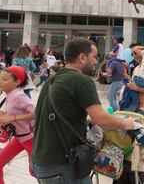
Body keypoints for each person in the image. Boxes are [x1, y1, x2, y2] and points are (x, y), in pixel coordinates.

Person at [31, 39, 134, 183]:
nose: (96, 61)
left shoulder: (53, 79)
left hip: (41, 160)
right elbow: (101, 119)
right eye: (94, 56)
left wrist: (86, 119)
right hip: (62, 163)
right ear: (82, 57)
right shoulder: (81, 81)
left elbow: (46, 113)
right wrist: (124, 124)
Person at [0, 66, 36, 183]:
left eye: (4, 79)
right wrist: (5, 114)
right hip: (19, 139)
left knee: (37, 172)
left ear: (17, 82)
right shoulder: (10, 95)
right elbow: (19, 112)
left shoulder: (19, 96)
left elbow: (37, 113)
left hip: (31, 139)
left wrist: (12, 118)